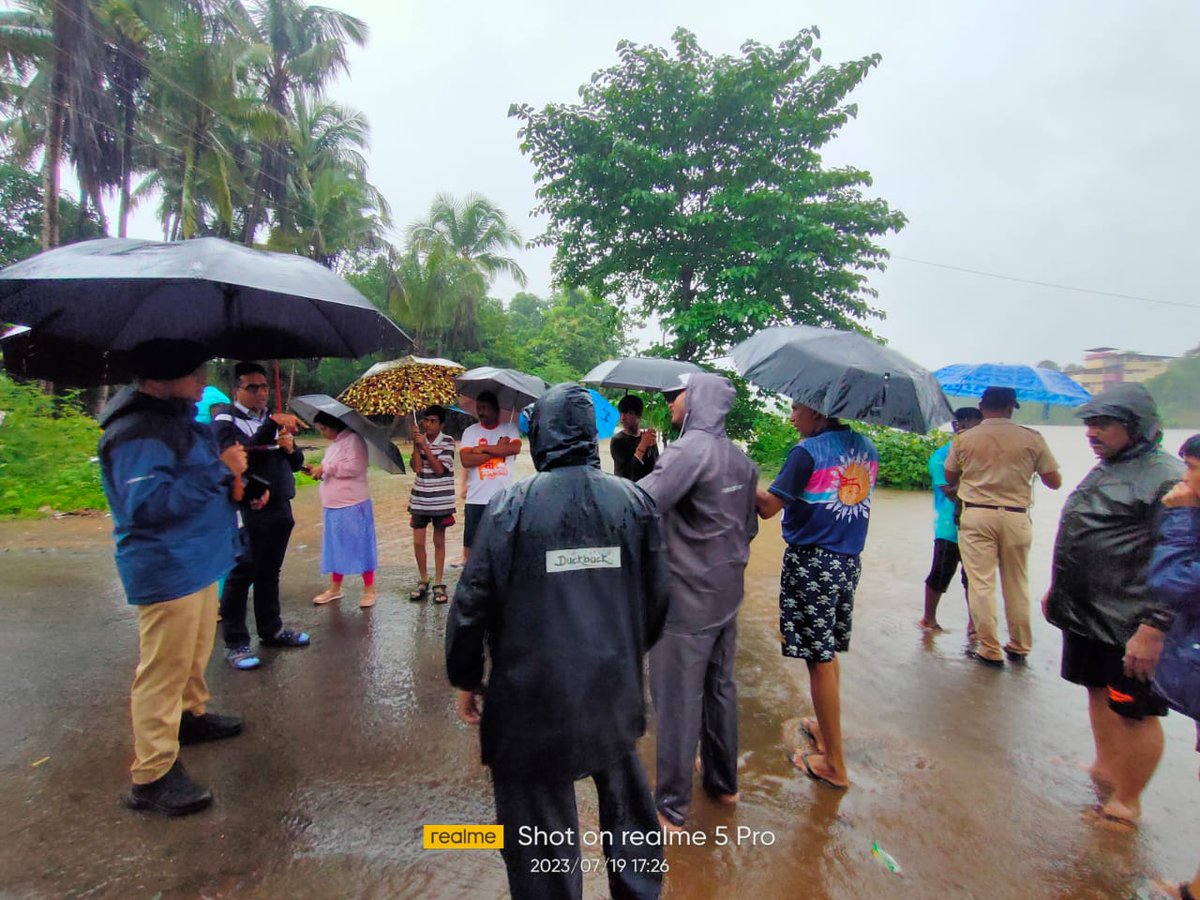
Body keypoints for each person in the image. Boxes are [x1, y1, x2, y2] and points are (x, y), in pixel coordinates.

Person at [446, 384, 669, 900]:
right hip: (613, 689)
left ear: (541, 436)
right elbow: (659, 599)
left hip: (531, 700)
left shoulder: (511, 506)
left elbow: (471, 604)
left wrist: (467, 678)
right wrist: (625, 654)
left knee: (539, 833)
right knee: (628, 806)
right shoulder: (634, 501)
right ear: (590, 435)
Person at [98, 339, 246, 817]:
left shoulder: (179, 420)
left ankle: (189, 716)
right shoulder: (136, 432)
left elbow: (200, 477)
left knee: (193, 654)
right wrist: (219, 471)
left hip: (199, 559)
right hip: (168, 564)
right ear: (161, 377)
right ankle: (152, 774)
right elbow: (146, 505)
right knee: (163, 669)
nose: (204, 381)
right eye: (194, 372)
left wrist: (239, 482)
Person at [1044, 384, 1184, 828]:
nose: (1091, 432)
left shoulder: (1168, 478)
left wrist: (1155, 626)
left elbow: (1181, 560)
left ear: (1137, 427)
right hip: (1088, 612)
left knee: (1133, 710)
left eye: (1104, 424)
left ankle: (1127, 801)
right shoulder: (1109, 466)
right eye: (1089, 423)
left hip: (1132, 622)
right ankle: (1105, 768)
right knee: (1097, 690)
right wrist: (1058, 591)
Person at [639, 373, 759, 828]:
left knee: (677, 698)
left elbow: (640, 506)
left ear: (697, 400)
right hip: (725, 595)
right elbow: (748, 529)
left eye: (678, 396)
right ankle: (724, 784)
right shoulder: (742, 461)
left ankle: (671, 807)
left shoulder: (688, 451)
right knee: (720, 689)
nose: (672, 403)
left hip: (686, 599)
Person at [756, 401, 879, 790]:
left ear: (819, 412)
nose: (792, 417)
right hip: (847, 562)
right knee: (826, 654)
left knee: (818, 659)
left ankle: (834, 766)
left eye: (797, 409)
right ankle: (825, 733)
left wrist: (736, 474)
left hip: (812, 563)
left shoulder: (806, 452)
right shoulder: (867, 448)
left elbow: (768, 508)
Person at [945, 386, 1062, 666]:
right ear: (1011, 407)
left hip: (977, 515)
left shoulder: (964, 439)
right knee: (1017, 583)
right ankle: (1020, 645)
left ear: (981, 407)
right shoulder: (1032, 438)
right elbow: (1054, 482)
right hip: (1016, 515)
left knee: (981, 584)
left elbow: (950, 475)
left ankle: (989, 647)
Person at [213, 362, 309, 670]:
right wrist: (272, 428)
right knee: (242, 573)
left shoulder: (271, 419)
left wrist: (289, 448)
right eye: (252, 387)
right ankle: (236, 642)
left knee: (270, 571)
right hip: (249, 507)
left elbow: (295, 463)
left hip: (280, 504)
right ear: (236, 390)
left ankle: (271, 629)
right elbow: (239, 459)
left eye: (264, 386)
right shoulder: (226, 420)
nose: (261, 393)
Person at [1147, 434, 1200, 900]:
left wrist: (1181, 517)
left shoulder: (1186, 518)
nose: (1184, 478)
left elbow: (1172, 582)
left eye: (1193, 469)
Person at [921, 407, 983, 632]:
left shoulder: (980, 456)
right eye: (977, 426)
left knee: (974, 579)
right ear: (959, 426)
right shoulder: (941, 457)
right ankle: (929, 619)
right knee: (940, 573)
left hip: (978, 526)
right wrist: (977, 479)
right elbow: (948, 491)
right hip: (948, 527)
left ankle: (974, 626)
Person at [309, 411, 379, 609]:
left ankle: (369, 589)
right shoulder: (333, 446)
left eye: (324, 429)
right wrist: (318, 471)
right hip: (332, 505)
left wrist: (327, 468)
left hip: (353, 504)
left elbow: (356, 467)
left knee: (361, 546)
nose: (322, 433)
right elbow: (330, 469)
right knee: (335, 548)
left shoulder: (354, 441)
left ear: (334, 425)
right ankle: (335, 588)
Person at [459, 390, 522, 565]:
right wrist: (498, 449)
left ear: (496, 409)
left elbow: (514, 449)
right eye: (479, 408)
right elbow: (466, 460)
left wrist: (483, 449)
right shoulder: (470, 432)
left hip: (503, 497)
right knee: (471, 545)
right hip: (476, 498)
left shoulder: (509, 429)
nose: (481, 412)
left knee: (502, 543)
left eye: (485, 408)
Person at [408, 404, 457, 603]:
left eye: (433, 421)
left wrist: (425, 447)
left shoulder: (448, 442)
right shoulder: (420, 439)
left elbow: (439, 469)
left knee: (439, 542)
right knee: (418, 542)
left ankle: (438, 582)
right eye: (426, 420)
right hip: (420, 497)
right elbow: (417, 468)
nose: (428, 424)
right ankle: (423, 578)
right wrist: (416, 445)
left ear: (441, 424)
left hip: (440, 500)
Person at [610, 394, 659, 482]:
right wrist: (642, 447)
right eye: (621, 413)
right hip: (626, 488)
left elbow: (656, 470)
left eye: (628, 413)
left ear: (639, 415)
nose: (622, 418)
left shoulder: (646, 438)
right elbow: (627, 475)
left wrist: (652, 446)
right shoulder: (618, 441)